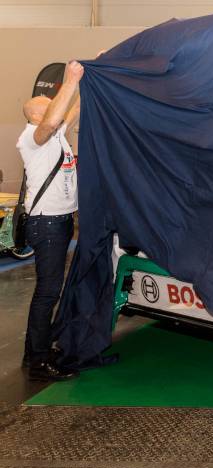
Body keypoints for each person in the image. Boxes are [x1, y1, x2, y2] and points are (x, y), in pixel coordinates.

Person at [17, 60, 84, 381]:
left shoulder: (55, 135)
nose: (56, 107)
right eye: (48, 105)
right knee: (48, 292)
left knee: (48, 290)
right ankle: (39, 362)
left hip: (59, 221)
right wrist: (69, 80)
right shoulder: (32, 137)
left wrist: (91, 75)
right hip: (46, 224)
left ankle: (34, 350)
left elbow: (71, 112)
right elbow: (56, 118)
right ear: (36, 116)